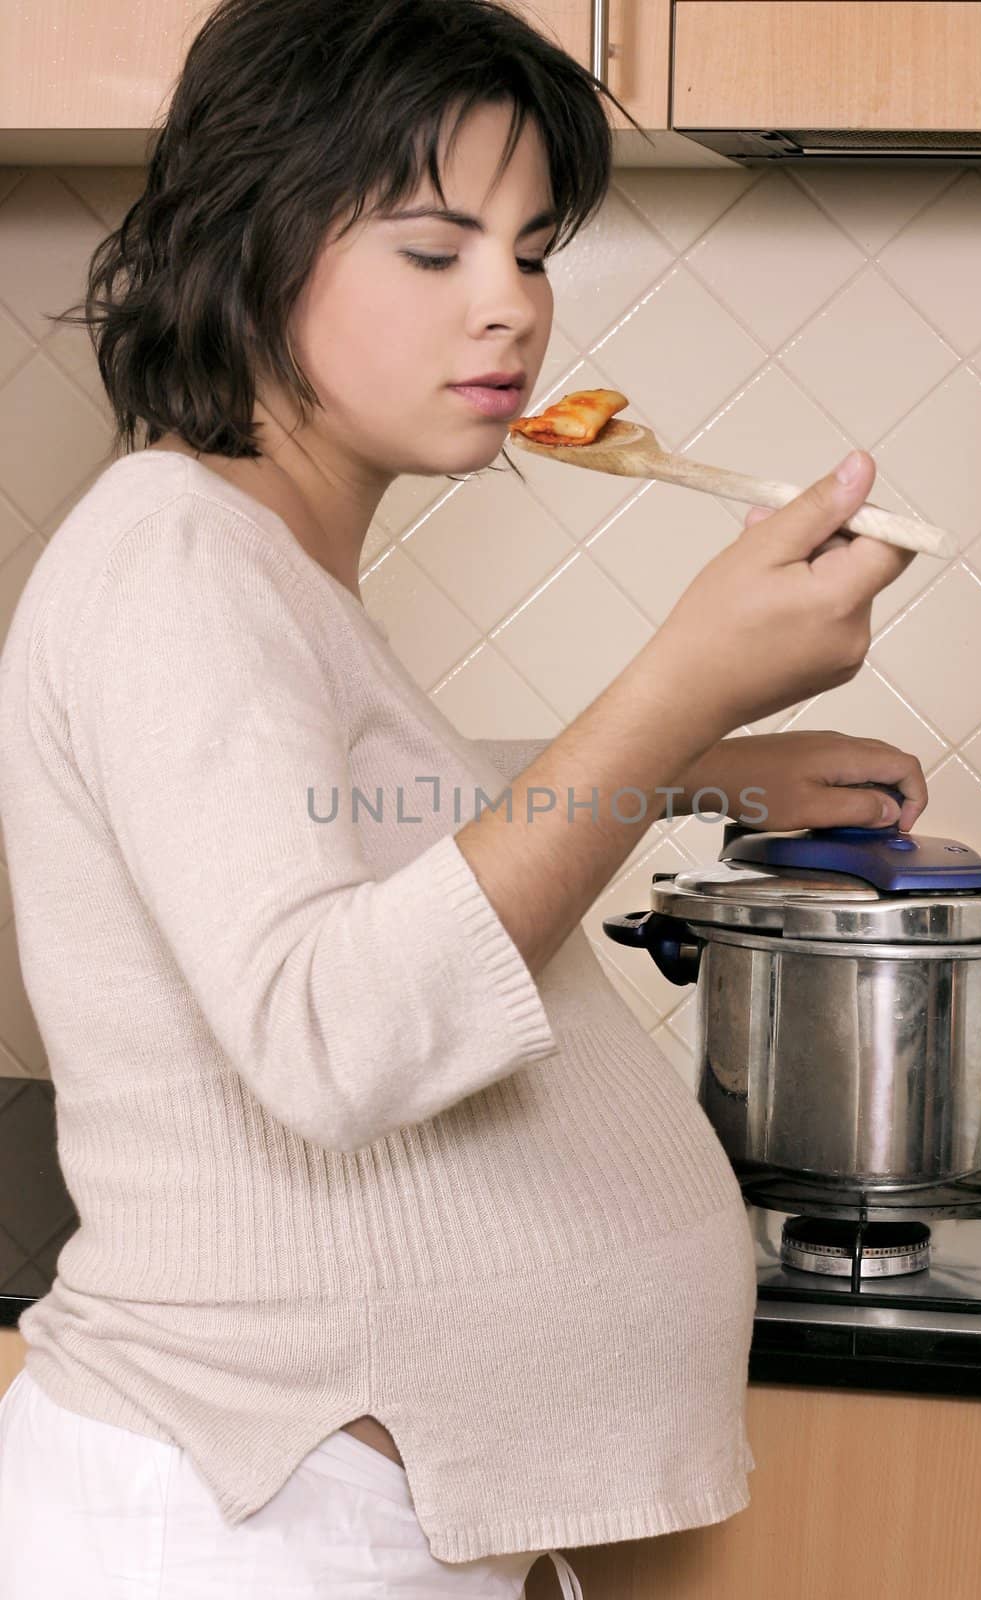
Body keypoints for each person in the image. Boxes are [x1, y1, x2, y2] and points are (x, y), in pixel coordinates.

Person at [0, 0, 927, 1594]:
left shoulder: (259, 560)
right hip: (245, 1531)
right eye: (435, 252)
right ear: (253, 245)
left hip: (348, 1523)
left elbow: (339, 807)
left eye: (536, 247)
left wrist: (696, 771)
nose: (510, 309)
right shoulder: (171, 549)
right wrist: (677, 692)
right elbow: (331, 1028)